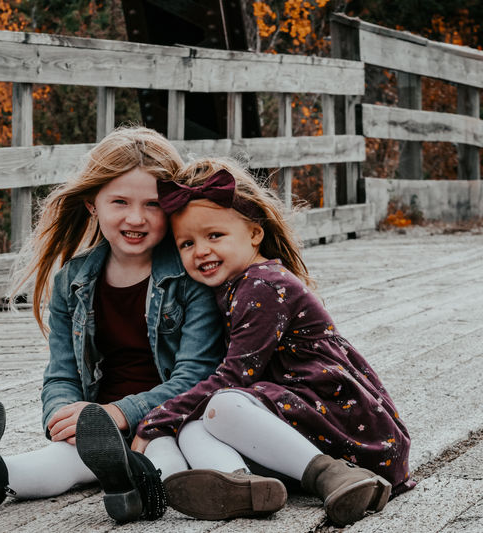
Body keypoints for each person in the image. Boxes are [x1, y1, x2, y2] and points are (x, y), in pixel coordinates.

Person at [76, 157, 414, 527]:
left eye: (214, 236)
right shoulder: (234, 287)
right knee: (194, 425)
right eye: (187, 243)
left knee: (221, 404)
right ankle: (241, 485)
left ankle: (332, 475)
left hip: (343, 421)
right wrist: (176, 419)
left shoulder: (262, 286)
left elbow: (234, 376)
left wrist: (156, 419)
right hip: (297, 418)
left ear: (254, 234)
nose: (200, 250)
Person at [0, 127, 224, 522]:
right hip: (98, 427)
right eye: (119, 202)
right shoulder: (72, 282)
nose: (136, 218)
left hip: (166, 419)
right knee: (55, 462)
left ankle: (136, 489)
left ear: (172, 206)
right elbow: (61, 374)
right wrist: (64, 417)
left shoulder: (190, 279)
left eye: (153, 204)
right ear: (92, 204)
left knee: (165, 459)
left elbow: (195, 377)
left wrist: (121, 413)